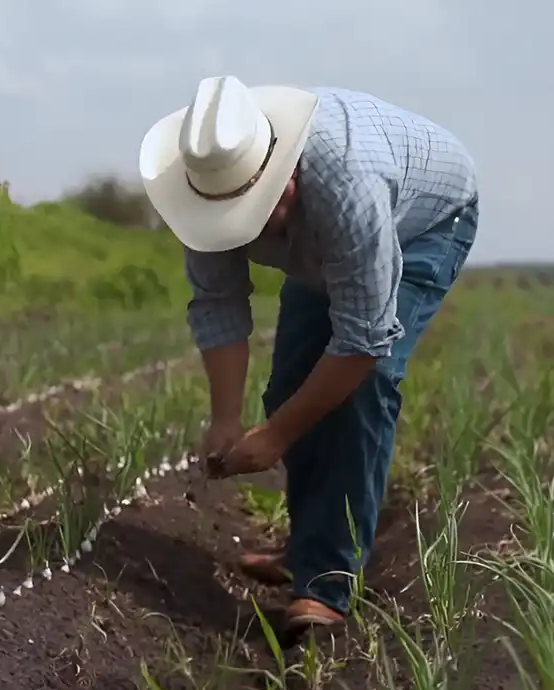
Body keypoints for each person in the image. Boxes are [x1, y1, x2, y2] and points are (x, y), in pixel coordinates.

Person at [139, 75, 478, 632]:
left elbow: (364, 339)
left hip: (425, 223)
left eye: (254, 208)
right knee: (290, 389)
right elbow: (218, 301)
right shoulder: (202, 182)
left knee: (361, 391)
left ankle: (327, 581)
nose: (243, 226)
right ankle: (308, 545)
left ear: (286, 179)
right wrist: (226, 418)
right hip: (330, 234)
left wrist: (275, 437)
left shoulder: (349, 187)